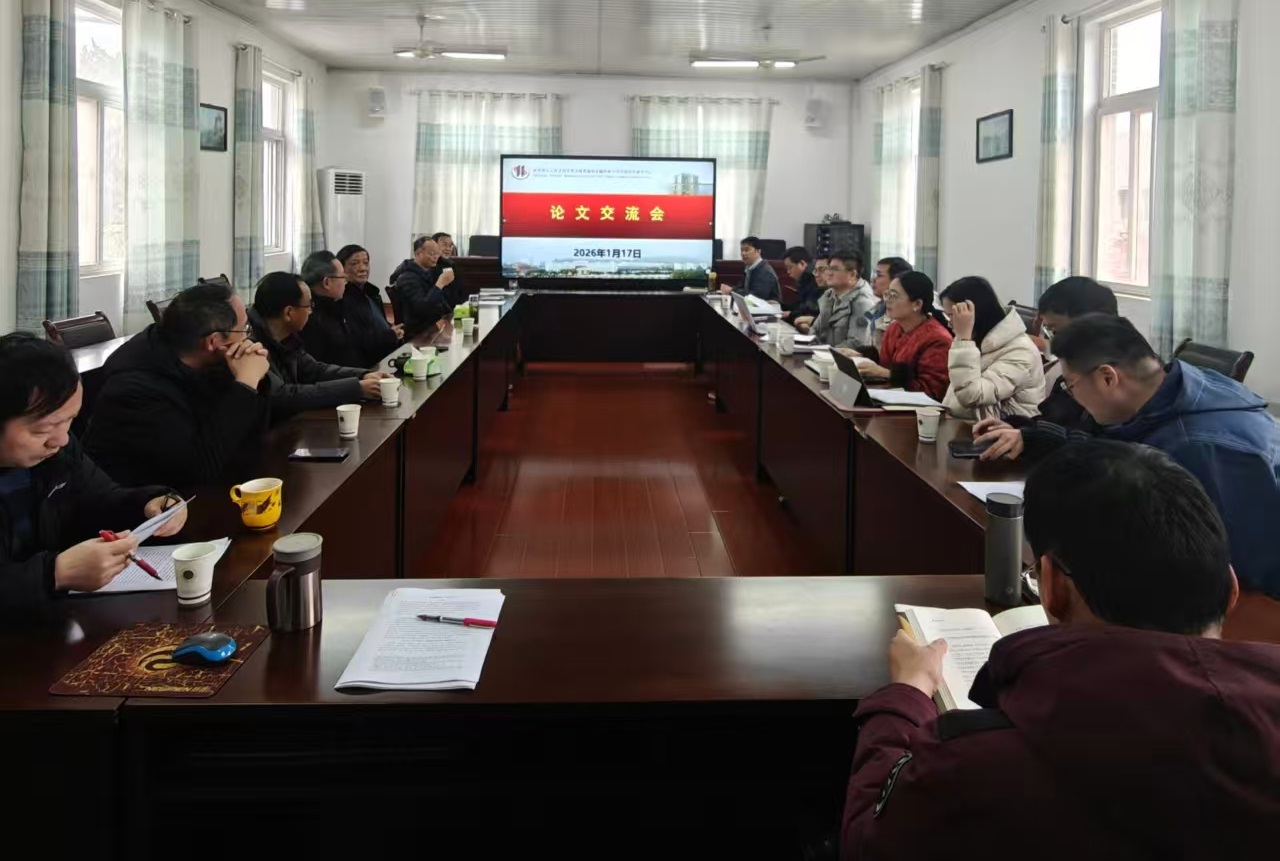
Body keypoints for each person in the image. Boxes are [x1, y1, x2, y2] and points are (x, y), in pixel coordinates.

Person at [842, 441, 1280, 860]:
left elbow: (868, 842)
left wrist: (906, 695)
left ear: (1050, 586)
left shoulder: (977, 768)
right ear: (1230, 590)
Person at [977, 314, 1280, 595]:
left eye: (1071, 386)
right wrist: (1036, 438)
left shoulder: (1201, 449)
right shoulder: (1173, 393)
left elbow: (1239, 574)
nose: (1073, 399)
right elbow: (1117, 451)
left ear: (1108, 378)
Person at [0, 335, 189, 613]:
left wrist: (149, 504)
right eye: (42, 430)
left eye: (70, 421)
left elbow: (99, 498)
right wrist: (55, 573)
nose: (62, 439)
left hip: (54, 620)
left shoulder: (58, 453)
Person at [83, 280, 271, 490]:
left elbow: (252, 437)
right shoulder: (134, 390)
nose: (248, 337)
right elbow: (198, 468)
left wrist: (256, 379)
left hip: (204, 489)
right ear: (215, 341)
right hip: (144, 500)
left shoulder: (203, 357)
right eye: (244, 329)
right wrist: (246, 383)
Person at [974, 276, 1117, 454]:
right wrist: (1018, 429)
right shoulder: (1071, 374)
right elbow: (1053, 422)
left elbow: (1099, 447)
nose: (1053, 342)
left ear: (1088, 324)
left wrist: (1030, 437)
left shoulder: (1114, 378)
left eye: (1055, 330)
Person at [249, 271, 390, 421]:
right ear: (289, 313)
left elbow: (315, 370)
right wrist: (356, 388)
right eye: (309, 305)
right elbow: (285, 396)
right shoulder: (253, 348)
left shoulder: (287, 338)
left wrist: (363, 375)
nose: (311, 311)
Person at [938, 276, 1046, 421]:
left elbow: (972, 396)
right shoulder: (978, 339)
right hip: (966, 425)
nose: (950, 323)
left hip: (1004, 431)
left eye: (952, 316)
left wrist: (963, 340)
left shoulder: (1021, 351)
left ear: (975, 314)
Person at [847, 271, 953, 402]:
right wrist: (860, 357)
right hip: (886, 399)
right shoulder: (894, 328)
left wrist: (887, 374)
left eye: (894, 296)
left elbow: (932, 392)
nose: (887, 301)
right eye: (887, 294)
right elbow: (883, 365)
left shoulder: (937, 339)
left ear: (917, 304)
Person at [298, 250, 369, 370]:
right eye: (342, 277)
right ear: (327, 283)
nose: (346, 281)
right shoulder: (311, 318)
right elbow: (317, 370)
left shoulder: (335, 305)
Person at [335, 244, 403, 366]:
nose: (363, 268)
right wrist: (390, 335)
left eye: (366, 263)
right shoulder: (342, 299)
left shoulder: (372, 293)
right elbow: (358, 340)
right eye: (355, 264)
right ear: (342, 269)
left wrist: (392, 330)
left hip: (385, 356)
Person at [802, 249, 877, 350]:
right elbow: (815, 330)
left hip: (840, 358)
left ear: (852, 275)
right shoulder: (829, 295)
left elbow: (856, 343)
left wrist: (823, 352)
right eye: (828, 268)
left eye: (835, 269)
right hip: (822, 355)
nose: (829, 273)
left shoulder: (863, 303)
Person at [389, 236, 453, 338]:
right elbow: (422, 309)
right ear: (419, 253)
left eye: (437, 253)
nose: (436, 257)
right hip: (419, 330)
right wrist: (440, 284)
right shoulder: (407, 278)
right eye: (432, 253)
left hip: (434, 323)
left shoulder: (428, 271)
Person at [862, 256, 912, 359]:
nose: (872, 280)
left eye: (879, 275)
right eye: (873, 274)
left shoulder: (905, 314)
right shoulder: (876, 310)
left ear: (897, 280)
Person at [720, 236, 780, 302]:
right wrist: (729, 289)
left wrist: (731, 291)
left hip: (767, 307)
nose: (743, 253)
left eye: (747, 250)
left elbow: (756, 297)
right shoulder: (749, 267)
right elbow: (741, 287)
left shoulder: (765, 271)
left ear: (758, 251)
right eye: (742, 250)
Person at [779, 247, 820, 325]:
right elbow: (800, 306)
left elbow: (810, 311)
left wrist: (791, 314)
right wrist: (780, 305)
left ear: (802, 264)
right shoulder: (804, 280)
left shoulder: (816, 280)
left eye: (790, 267)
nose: (788, 272)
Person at [430, 231, 467, 308]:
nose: (448, 249)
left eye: (450, 246)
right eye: (444, 245)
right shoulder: (429, 266)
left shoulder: (452, 265)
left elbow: (461, 291)